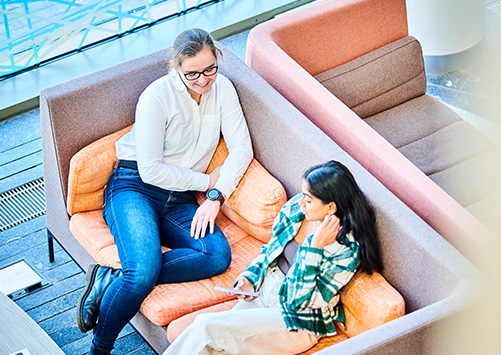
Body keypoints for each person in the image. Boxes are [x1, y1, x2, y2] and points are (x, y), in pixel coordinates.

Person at [76, 28, 253, 355]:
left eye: (210, 68)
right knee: (141, 272)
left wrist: (216, 197)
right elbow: (151, 169)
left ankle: (111, 278)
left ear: (218, 60)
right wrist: (206, 183)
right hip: (134, 188)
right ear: (175, 67)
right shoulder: (157, 96)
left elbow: (242, 148)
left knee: (215, 254)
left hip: (179, 201)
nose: (203, 80)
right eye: (193, 73)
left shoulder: (222, 88)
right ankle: (99, 349)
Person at [163, 160, 384, 355]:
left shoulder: (346, 249)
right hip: (264, 293)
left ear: (331, 207)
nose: (300, 202)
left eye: (308, 199)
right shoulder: (298, 212)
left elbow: (300, 301)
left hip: (297, 320)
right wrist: (251, 276)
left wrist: (315, 247)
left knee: (206, 327)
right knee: (213, 349)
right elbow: (271, 250)